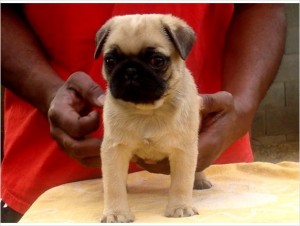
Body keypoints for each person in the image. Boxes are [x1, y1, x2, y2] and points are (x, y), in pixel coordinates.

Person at [1, 3, 286, 223]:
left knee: (186, 147)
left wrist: (243, 106)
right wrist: (48, 91)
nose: (131, 74)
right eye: (114, 61)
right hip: (47, 172)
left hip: (222, 166)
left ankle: (192, 180)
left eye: (156, 61)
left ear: (180, 50)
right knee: (116, 148)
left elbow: (265, 5)